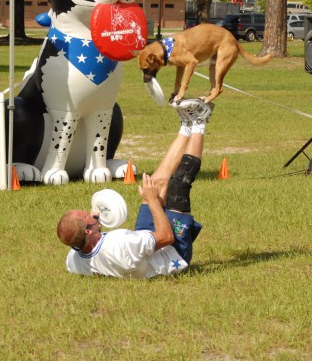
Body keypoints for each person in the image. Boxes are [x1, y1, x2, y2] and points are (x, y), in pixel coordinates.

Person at [56, 99, 214, 279]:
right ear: (88, 231)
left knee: (155, 181)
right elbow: (166, 237)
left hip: (140, 242)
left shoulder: (73, 260)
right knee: (178, 186)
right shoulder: (122, 245)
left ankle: (186, 126)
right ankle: (200, 122)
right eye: (87, 216)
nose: (92, 212)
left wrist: (95, 221)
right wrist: (153, 201)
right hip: (173, 253)